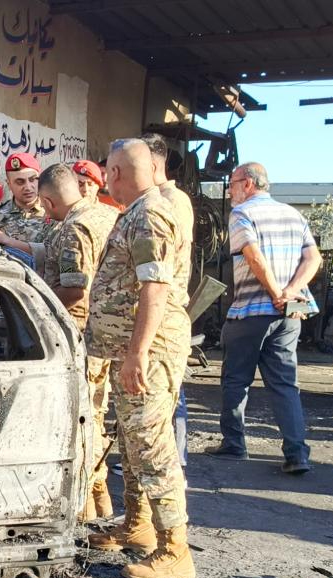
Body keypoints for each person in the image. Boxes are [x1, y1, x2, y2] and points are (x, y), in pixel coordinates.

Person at [86, 139, 193, 578]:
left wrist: (138, 353)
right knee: (133, 444)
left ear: (114, 173)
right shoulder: (135, 212)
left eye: (107, 172)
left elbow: (156, 287)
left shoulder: (150, 214)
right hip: (131, 351)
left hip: (149, 352)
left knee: (152, 447)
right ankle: (138, 525)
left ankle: (175, 551)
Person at [205, 162, 321, 474]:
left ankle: (234, 444)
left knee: (236, 379)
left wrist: (275, 292)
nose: (229, 191)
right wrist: (291, 292)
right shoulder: (293, 214)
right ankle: (297, 453)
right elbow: (313, 258)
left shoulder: (242, 214)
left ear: (248, 183)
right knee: (285, 383)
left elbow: (253, 255)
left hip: (251, 311)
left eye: (232, 184)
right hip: (289, 312)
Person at [36, 163, 119, 519]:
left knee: (81, 422)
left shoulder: (74, 228)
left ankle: (84, 510)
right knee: (96, 416)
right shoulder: (107, 215)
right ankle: (101, 506)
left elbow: (73, 289)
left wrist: (38, 307)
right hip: (109, 333)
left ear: (47, 201)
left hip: (81, 336)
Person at [142, 133, 195, 467]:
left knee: (166, 391)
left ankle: (173, 458)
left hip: (164, 311)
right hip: (155, 309)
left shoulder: (170, 201)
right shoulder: (153, 199)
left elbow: (159, 270)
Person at [0, 153, 48, 250]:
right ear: (9, 184)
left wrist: (8, 241)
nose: (28, 187)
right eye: (20, 182)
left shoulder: (52, 211)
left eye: (32, 179)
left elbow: (53, 252)